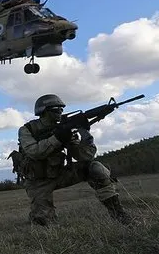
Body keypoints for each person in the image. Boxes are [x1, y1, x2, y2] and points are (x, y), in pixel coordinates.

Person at [15, 94, 132, 226]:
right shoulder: (27, 129)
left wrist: (85, 134)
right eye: (55, 109)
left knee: (95, 168)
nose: (60, 113)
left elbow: (85, 156)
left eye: (61, 109)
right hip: (38, 183)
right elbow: (34, 152)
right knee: (44, 224)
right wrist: (58, 138)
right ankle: (38, 217)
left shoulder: (63, 129)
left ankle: (119, 215)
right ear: (44, 111)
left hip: (59, 174)